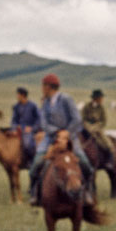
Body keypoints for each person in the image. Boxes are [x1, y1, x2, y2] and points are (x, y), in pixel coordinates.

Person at [28, 74, 95, 205]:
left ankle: (87, 191)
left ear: (49, 87)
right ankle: (34, 192)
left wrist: (67, 132)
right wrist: (57, 132)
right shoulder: (45, 102)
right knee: (36, 163)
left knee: (85, 163)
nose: (42, 88)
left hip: (70, 137)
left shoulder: (66, 99)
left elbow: (77, 119)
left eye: (43, 85)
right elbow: (44, 123)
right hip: (50, 138)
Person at [11, 86, 42, 170]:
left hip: (29, 129)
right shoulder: (16, 106)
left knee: (27, 144)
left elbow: (39, 119)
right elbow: (14, 120)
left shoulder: (33, 106)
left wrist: (32, 128)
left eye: (18, 95)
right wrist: (14, 128)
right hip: (19, 129)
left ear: (23, 95)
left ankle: (31, 161)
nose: (17, 96)